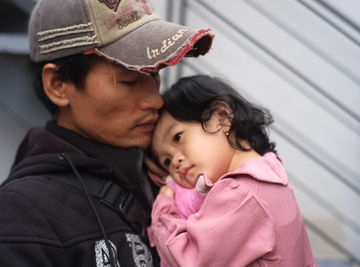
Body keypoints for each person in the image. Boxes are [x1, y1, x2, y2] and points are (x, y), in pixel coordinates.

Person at [0, 0, 213, 266]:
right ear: (58, 85)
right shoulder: (19, 218)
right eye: (129, 80)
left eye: (155, 74)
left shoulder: (168, 178)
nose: (155, 100)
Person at [147, 75, 317, 267]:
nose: (175, 162)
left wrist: (164, 213)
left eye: (178, 137)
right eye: (166, 161)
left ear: (222, 118)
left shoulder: (240, 193)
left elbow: (189, 262)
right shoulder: (265, 176)